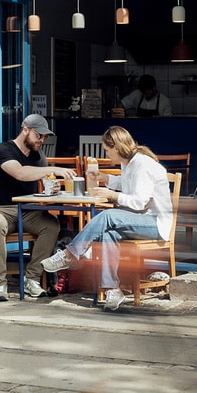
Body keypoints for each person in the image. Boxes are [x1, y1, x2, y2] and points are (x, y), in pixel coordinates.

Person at [41, 125, 173, 311]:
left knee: (108, 216)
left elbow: (139, 202)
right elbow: (127, 184)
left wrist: (112, 195)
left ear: (117, 148)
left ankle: (68, 255)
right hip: (139, 219)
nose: (106, 153)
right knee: (108, 233)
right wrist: (104, 177)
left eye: (107, 150)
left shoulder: (141, 165)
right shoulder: (129, 162)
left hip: (155, 224)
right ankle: (112, 288)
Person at [0, 114, 77, 301]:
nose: (41, 140)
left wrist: (53, 185)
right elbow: (19, 172)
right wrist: (54, 169)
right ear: (25, 130)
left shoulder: (38, 156)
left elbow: (44, 179)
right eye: (38, 135)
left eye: (44, 137)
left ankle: (32, 279)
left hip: (28, 211)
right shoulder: (4, 149)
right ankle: (0, 284)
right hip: (0, 208)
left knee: (51, 225)